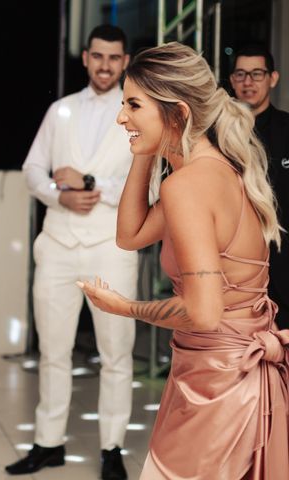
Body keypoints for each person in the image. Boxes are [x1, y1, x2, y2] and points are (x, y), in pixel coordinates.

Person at [79, 42, 289, 479]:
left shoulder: (188, 186)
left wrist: (126, 307)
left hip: (217, 389)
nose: (121, 118)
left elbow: (203, 311)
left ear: (176, 112)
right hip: (216, 377)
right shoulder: (213, 170)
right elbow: (130, 235)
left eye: (133, 105)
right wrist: (146, 148)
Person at [5, 25, 137, 480]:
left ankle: (113, 448)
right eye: (97, 57)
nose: (105, 65)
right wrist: (58, 196)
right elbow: (32, 170)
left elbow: (150, 184)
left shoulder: (138, 114)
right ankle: (48, 442)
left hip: (111, 248)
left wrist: (92, 185)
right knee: (53, 351)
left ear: (125, 61)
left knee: (116, 353)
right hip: (59, 243)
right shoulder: (59, 110)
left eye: (114, 58)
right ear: (85, 58)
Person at [230, 45, 289, 330]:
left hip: (284, 267)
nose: (248, 82)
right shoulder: (217, 135)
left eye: (256, 74)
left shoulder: (288, 128)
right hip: (233, 269)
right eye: (241, 74)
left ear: (272, 78)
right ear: (231, 81)